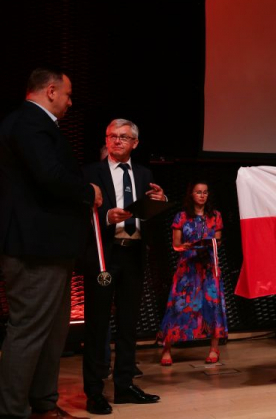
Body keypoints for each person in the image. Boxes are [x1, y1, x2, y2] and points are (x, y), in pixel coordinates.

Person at [0, 68, 102, 419]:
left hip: (49, 248)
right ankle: (13, 411)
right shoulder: (29, 123)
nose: (71, 103)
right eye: (69, 95)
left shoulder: (36, 125)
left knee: (54, 331)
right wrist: (88, 191)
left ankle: (43, 402)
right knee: (28, 331)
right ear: (51, 90)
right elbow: (49, 176)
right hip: (34, 248)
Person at [82, 119, 166, 415]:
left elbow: (149, 214)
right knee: (97, 325)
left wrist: (160, 201)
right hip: (104, 255)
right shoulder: (90, 172)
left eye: (123, 137)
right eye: (111, 136)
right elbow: (77, 212)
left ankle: (125, 386)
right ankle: (94, 392)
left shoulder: (144, 174)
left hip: (134, 254)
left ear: (135, 143)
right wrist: (107, 217)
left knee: (129, 324)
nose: (116, 141)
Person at [158, 180, 228, 365]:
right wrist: (185, 247)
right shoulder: (181, 217)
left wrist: (210, 243)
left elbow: (218, 241)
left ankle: (214, 349)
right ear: (191, 194)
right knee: (177, 306)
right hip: (188, 266)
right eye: (198, 192)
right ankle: (167, 349)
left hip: (208, 267)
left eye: (205, 192)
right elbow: (175, 245)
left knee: (213, 306)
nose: (202, 195)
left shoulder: (215, 216)